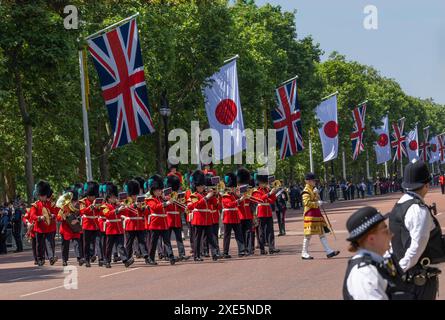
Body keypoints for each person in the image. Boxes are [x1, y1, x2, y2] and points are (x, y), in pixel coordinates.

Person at [389, 160, 445, 300]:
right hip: (417, 280)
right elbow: (417, 246)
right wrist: (399, 270)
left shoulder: (399, 205)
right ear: (426, 185)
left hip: (405, 276)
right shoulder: (418, 209)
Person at [343, 206, 413, 300]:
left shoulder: (377, 262)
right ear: (371, 239)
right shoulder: (365, 274)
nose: (391, 234)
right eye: (385, 231)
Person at [301, 173, 340, 260]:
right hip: (310, 215)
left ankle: (329, 251)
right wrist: (317, 203)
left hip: (316, 214)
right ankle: (304, 252)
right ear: (308, 181)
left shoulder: (313, 189)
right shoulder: (306, 191)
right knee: (308, 235)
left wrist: (317, 195)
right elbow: (306, 203)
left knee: (321, 233)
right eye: (313, 180)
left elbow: (316, 199)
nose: (314, 182)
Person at [186, 170, 219, 262]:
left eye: (202, 185)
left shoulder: (206, 194)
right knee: (198, 238)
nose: (202, 187)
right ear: (196, 186)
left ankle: (214, 253)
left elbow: (215, 204)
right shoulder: (194, 195)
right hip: (198, 219)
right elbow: (196, 205)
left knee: (211, 237)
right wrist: (207, 197)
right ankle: (196, 255)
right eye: (200, 186)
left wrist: (214, 195)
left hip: (207, 219)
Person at [100, 182, 135, 268]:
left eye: (115, 197)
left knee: (120, 246)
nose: (115, 199)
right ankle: (107, 261)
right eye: (113, 197)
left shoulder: (117, 205)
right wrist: (118, 209)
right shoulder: (104, 206)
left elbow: (126, 213)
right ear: (108, 198)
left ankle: (125, 260)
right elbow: (107, 214)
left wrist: (124, 206)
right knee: (109, 247)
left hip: (119, 228)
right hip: (111, 228)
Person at [145, 174, 177, 265]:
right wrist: (166, 203)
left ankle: (171, 256)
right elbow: (155, 207)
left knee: (167, 241)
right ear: (153, 191)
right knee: (153, 243)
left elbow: (166, 209)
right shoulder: (150, 199)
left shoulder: (161, 199)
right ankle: (151, 258)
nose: (160, 192)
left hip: (163, 223)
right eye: (158, 190)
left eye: (160, 190)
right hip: (155, 223)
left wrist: (168, 201)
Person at [29, 180, 59, 266]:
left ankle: (51, 257)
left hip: (49, 228)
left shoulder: (51, 204)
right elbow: (32, 216)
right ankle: (40, 259)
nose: (43, 197)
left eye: (44, 196)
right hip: (39, 228)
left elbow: (56, 213)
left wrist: (53, 215)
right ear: (39, 196)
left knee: (50, 243)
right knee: (40, 245)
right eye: (41, 196)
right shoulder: (35, 205)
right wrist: (39, 217)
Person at [251, 174, 280, 255]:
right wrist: (269, 194)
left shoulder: (267, 190)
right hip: (261, 213)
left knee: (270, 231)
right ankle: (262, 249)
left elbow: (272, 201)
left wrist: (273, 193)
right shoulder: (256, 191)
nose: (265, 184)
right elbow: (259, 199)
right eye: (264, 182)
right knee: (261, 232)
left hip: (268, 212)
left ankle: (271, 248)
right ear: (259, 183)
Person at [57, 189, 84, 266]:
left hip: (75, 228)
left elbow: (83, 215)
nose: (74, 203)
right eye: (72, 201)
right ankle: (64, 260)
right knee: (65, 246)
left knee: (77, 243)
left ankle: (79, 258)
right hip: (66, 229)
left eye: (74, 201)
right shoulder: (64, 207)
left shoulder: (79, 206)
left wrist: (77, 220)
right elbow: (58, 218)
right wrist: (64, 216)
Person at [221, 172, 246, 257]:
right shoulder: (224, 195)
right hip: (228, 217)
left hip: (235, 217)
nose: (233, 188)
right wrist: (239, 200)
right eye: (232, 187)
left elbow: (240, 205)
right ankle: (225, 252)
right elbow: (229, 204)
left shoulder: (234, 195)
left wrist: (240, 197)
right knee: (227, 236)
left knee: (239, 234)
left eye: (233, 187)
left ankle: (241, 250)